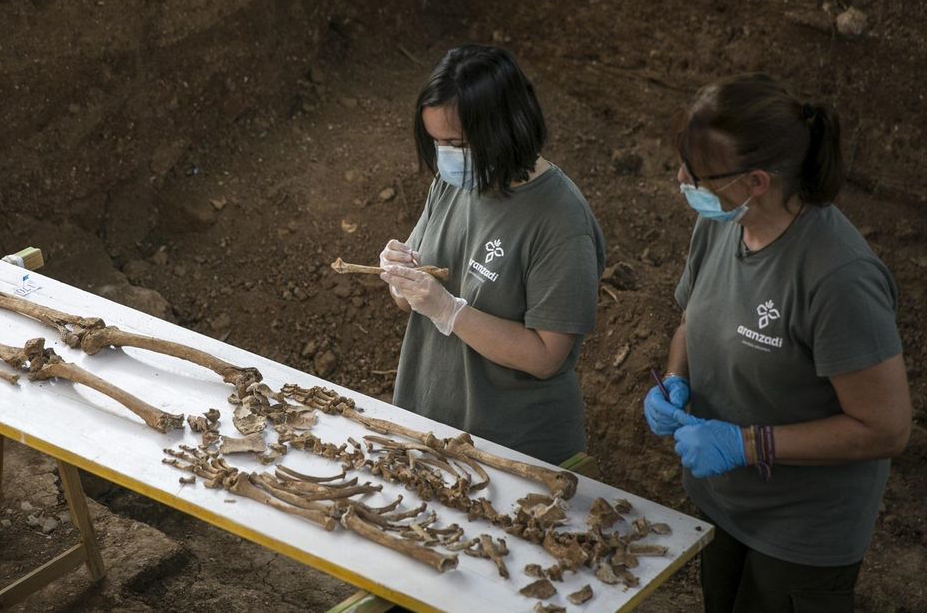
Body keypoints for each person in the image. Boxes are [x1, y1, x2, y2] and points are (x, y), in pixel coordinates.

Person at [643, 73, 911, 613]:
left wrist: (747, 444)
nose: (681, 180)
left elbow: (885, 428)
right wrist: (676, 377)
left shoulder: (838, 277)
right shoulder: (720, 222)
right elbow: (693, 317)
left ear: (756, 181)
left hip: (802, 529)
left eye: (697, 174)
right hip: (725, 501)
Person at [379, 44, 605, 465]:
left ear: (505, 128)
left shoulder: (559, 221)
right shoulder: (455, 181)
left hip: (513, 451)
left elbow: (545, 356)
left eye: (455, 143)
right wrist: (400, 274)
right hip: (431, 427)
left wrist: (450, 312)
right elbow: (409, 297)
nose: (445, 157)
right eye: (437, 143)